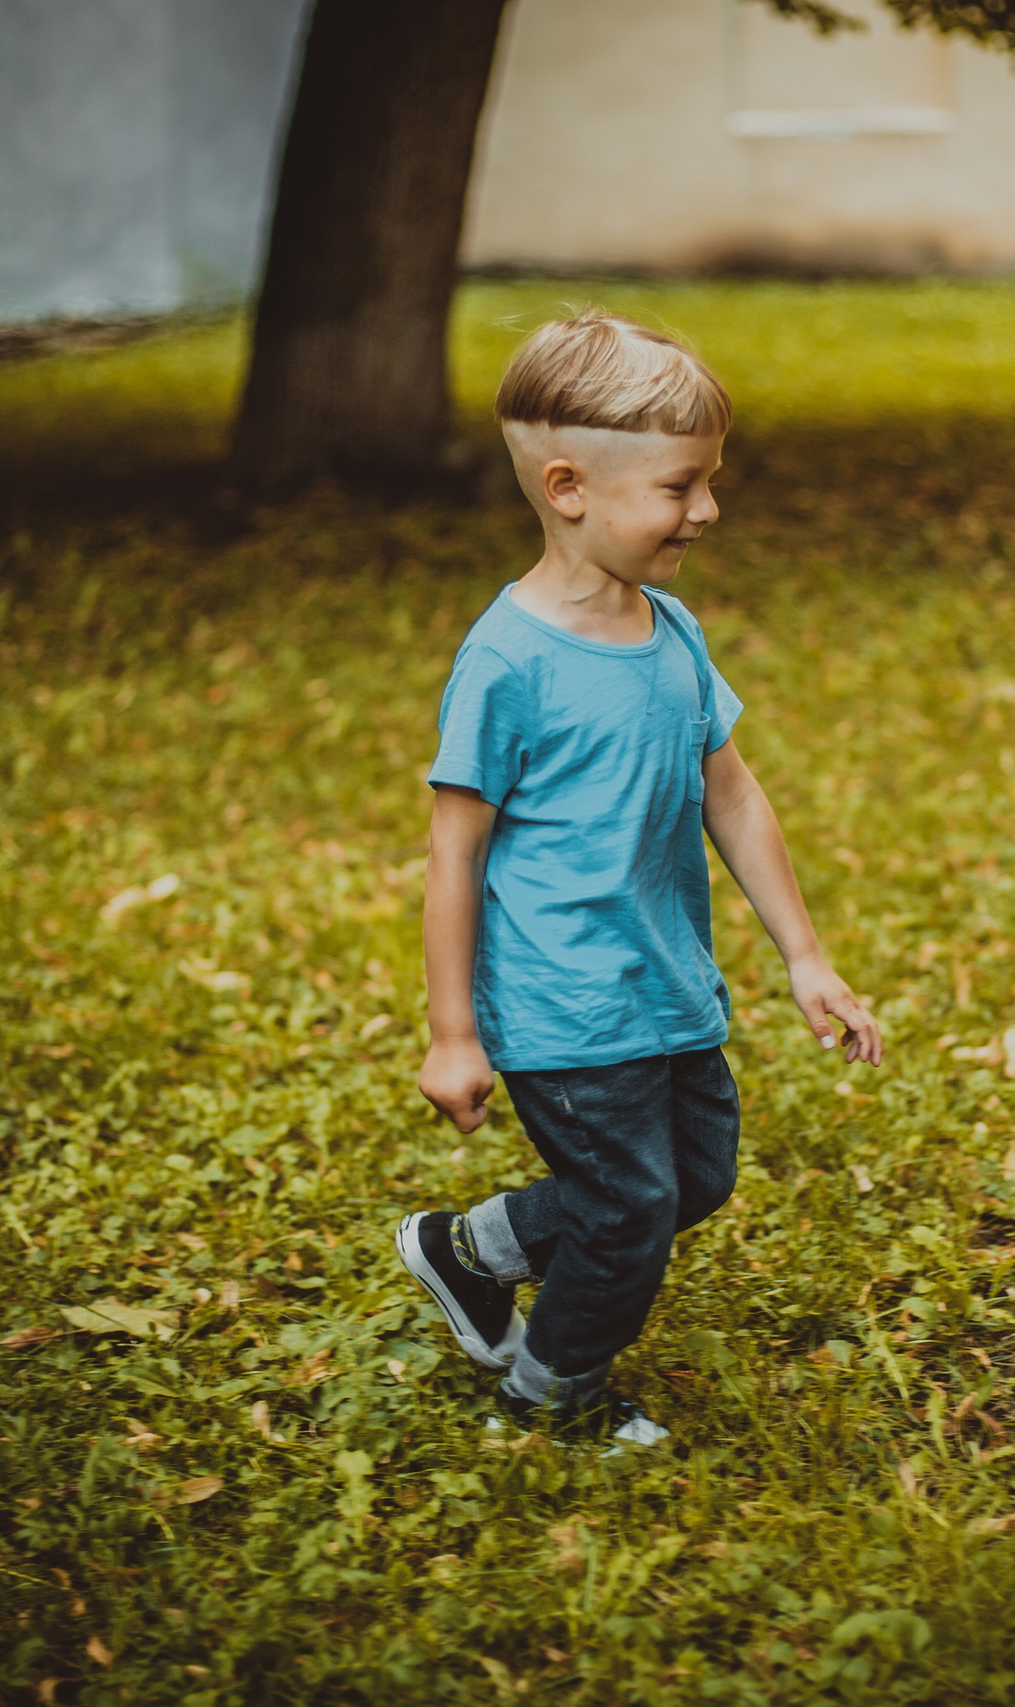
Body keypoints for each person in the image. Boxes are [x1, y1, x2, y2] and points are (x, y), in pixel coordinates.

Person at [393, 310, 884, 1445]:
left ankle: (467, 1251)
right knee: (631, 1212)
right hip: (564, 1002)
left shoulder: (671, 630)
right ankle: (549, 1396)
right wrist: (453, 1032)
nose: (706, 511)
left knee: (694, 1181)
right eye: (680, 486)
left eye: (709, 483)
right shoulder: (507, 663)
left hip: (668, 981)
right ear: (567, 487)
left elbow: (732, 794)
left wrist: (805, 959)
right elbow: (453, 853)